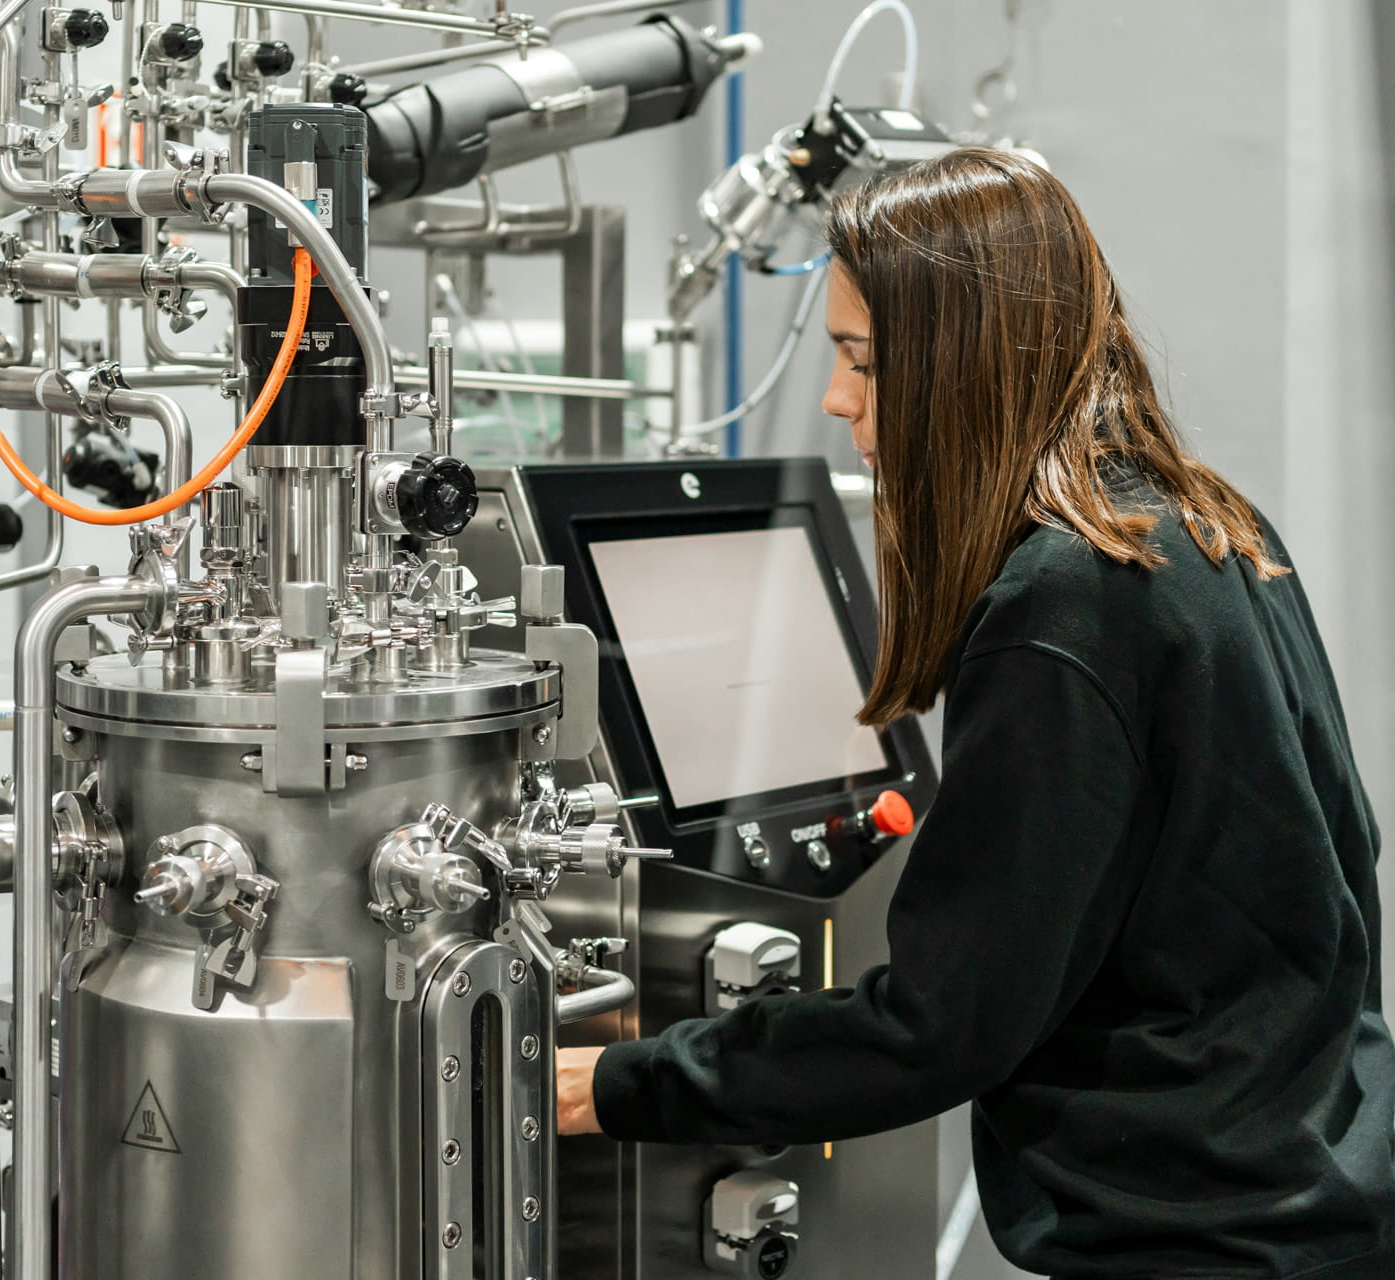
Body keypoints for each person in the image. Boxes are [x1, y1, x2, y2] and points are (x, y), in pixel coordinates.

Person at [555, 147, 1395, 1279]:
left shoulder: (1067, 603)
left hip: (1199, 1240)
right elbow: (1344, 862)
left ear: (960, 360)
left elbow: (942, 1023)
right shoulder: (1205, 524)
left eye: (860, 357)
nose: (837, 396)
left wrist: (621, 1081)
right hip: (1317, 1190)